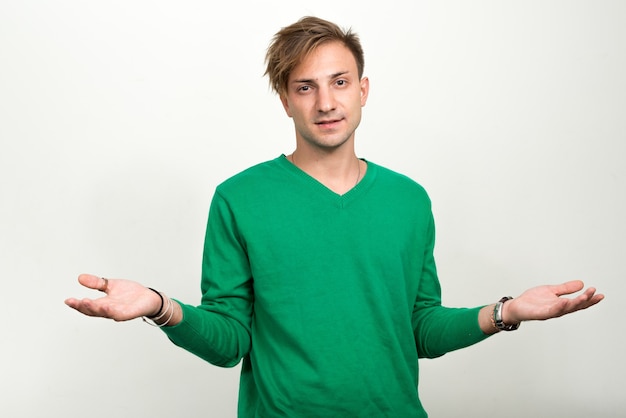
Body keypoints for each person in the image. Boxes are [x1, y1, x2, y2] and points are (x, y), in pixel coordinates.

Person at [65, 16, 604, 417]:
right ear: (285, 99)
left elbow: (418, 327)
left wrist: (506, 310)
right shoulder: (239, 198)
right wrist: (161, 308)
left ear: (363, 90)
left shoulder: (408, 199)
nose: (326, 102)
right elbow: (230, 340)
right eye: (306, 86)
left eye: (340, 82)